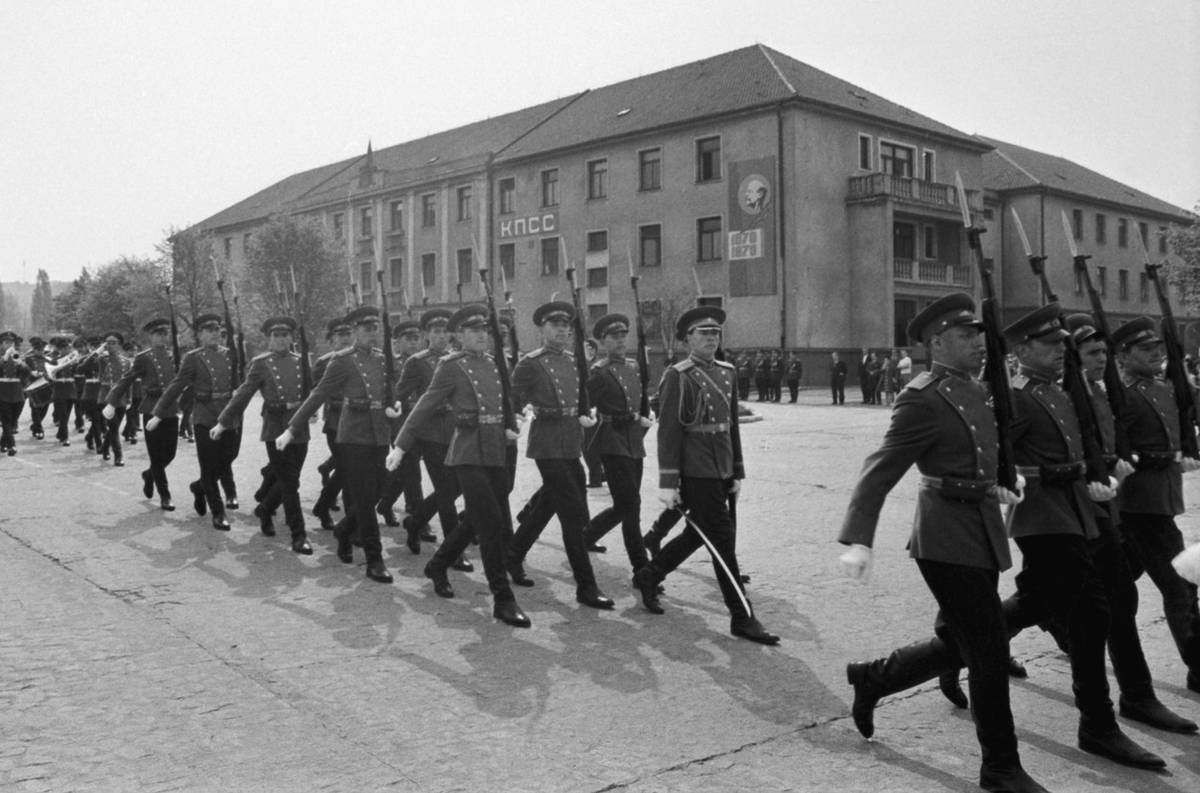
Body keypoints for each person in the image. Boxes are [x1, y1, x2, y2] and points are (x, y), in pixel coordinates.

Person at [838, 293, 1044, 793]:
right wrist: (858, 539)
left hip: (981, 528)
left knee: (963, 640)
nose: (979, 344)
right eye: (966, 336)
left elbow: (979, 453)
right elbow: (880, 468)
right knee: (989, 651)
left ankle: (874, 678)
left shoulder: (977, 389)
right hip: (945, 538)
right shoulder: (922, 397)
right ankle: (1000, 766)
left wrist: (999, 482)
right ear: (937, 343)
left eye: (979, 334)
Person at [994, 304, 1163, 770]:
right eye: (1049, 345)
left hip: (1082, 514)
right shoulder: (1018, 395)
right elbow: (997, 464)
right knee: (1090, 611)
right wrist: (1055, 473)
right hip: (1043, 520)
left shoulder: (1062, 392)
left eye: (1060, 344)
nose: (1058, 352)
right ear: (1022, 349)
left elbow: (1088, 442)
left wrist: (1102, 468)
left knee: (1094, 601)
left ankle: (1130, 701)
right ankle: (1098, 725)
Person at [634, 305, 778, 644]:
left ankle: (649, 574)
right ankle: (742, 616)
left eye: (715, 333)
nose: (711, 338)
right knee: (723, 539)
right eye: (703, 333)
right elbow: (668, 431)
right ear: (688, 339)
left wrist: (737, 471)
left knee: (702, 534)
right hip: (696, 469)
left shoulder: (727, 372)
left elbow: (730, 429)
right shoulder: (678, 375)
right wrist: (668, 482)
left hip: (722, 467)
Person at [390, 303, 530, 627]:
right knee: (492, 523)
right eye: (473, 331)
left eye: (484, 330)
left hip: (495, 448)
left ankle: (438, 564)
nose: (481, 336)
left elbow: (506, 399)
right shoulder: (450, 366)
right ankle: (503, 599)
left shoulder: (496, 364)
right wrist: (401, 444)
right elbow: (424, 405)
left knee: (478, 518)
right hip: (467, 451)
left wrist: (511, 422)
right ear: (459, 335)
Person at [506, 300, 614, 610]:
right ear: (541, 329)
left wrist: (585, 412)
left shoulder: (573, 360)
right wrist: (518, 417)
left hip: (570, 444)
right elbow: (511, 399)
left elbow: (582, 396)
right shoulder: (530, 363)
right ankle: (586, 585)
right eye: (555, 325)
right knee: (572, 513)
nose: (563, 330)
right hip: (547, 444)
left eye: (567, 325)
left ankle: (512, 555)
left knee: (549, 504)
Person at [1113, 316, 1200, 694]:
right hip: (1138, 505)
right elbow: (1111, 447)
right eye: (1146, 349)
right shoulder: (1123, 395)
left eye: (1158, 348)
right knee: (1181, 585)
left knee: (1102, 587)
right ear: (1124, 355)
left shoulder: (1166, 388)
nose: (1156, 355)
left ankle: (1052, 619)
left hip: (1161, 500)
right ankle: (1197, 666)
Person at [277, 305, 393, 583]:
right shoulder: (342, 360)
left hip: (379, 432)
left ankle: (343, 529)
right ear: (354, 331)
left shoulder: (383, 359)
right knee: (364, 498)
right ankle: (375, 560)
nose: (372, 333)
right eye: (366, 328)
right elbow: (319, 394)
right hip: (352, 435)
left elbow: (392, 388)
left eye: (375, 328)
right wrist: (293, 427)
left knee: (381, 489)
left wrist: (394, 405)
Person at [579, 313, 661, 613]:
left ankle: (585, 535)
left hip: (634, 444)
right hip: (612, 445)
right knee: (632, 507)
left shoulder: (633, 368)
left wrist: (646, 413)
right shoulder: (599, 373)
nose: (620, 342)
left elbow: (641, 401)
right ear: (601, 342)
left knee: (627, 504)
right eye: (613, 337)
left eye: (623, 336)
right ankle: (642, 571)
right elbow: (583, 404)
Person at [148, 314, 240, 531]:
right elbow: (177, 385)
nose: (215, 333)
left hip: (227, 416)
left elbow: (239, 384)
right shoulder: (193, 357)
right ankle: (218, 512)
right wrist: (159, 413)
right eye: (209, 330)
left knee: (227, 459)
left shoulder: (229, 355)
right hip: (205, 416)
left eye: (217, 329)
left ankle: (199, 488)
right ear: (199, 334)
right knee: (209, 465)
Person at [394, 308, 466, 559]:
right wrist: (399, 412)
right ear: (426, 334)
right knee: (446, 490)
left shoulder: (459, 358)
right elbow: (399, 394)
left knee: (456, 487)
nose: (442, 336)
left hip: (457, 431)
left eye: (446, 331)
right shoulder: (417, 362)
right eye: (436, 332)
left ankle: (415, 522)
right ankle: (454, 551)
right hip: (430, 432)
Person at [105, 318, 179, 510]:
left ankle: (149, 475)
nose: (161, 337)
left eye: (164, 334)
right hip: (151, 408)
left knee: (170, 454)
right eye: (157, 334)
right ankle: (165, 494)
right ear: (150, 336)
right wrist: (113, 401)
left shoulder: (174, 355)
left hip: (170, 409)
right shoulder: (144, 357)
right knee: (156, 455)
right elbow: (127, 379)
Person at [375, 317, 424, 529]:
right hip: (400, 423)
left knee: (404, 472)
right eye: (408, 339)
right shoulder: (390, 363)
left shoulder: (425, 361)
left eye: (416, 338)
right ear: (397, 341)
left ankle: (385, 504)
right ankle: (417, 518)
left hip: (423, 422)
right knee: (412, 472)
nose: (413, 343)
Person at [310, 316, 353, 531]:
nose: (345, 339)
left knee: (350, 470)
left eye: (348, 334)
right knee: (346, 468)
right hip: (336, 422)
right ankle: (325, 507)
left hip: (359, 424)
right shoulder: (324, 362)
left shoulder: (362, 358)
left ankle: (326, 507)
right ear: (331, 340)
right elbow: (316, 392)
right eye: (340, 335)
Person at [95, 332, 132, 466]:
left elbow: (128, 382)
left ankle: (105, 447)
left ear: (119, 345)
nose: (110, 345)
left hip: (121, 398)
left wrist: (129, 398)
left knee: (114, 427)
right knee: (114, 427)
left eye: (113, 343)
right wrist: (100, 350)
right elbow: (96, 368)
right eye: (107, 342)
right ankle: (119, 455)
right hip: (107, 397)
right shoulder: (102, 359)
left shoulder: (127, 362)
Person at [0, 331, 31, 456]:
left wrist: (21, 363)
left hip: (17, 393)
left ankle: (3, 443)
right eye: (6, 342)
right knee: (6, 421)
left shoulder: (18, 355)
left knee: (12, 421)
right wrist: (5, 357)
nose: (9, 345)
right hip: (2, 392)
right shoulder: (2, 356)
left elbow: (27, 372)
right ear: (1, 344)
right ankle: (12, 445)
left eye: (11, 342)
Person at [48, 336, 77, 447]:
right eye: (64, 348)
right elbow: (50, 375)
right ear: (60, 349)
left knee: (67, 414)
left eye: (68, 348)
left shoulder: (73, 361)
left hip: (70, 389)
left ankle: (61, 433)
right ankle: (65, 438)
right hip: (59, 390)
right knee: (63, 414)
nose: (67, 350)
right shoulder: (54, 361)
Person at [22, 336, 50, 439]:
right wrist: (32, 373)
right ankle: (39, 429)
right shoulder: (28, 358)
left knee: (45, 407)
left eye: (42, 349)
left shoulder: (47, 358)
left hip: (46, 385)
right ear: (34, 349)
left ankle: (35, 425)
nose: (41, 351)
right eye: (38, 350)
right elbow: (24, 371)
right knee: (35, 408)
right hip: (33, 386)